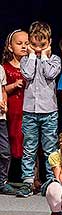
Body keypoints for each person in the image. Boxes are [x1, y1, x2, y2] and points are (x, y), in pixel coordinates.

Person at [16, 21, 61, 198]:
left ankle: (51, 180)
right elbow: (27, 74)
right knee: (29, 147)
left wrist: (43, 56)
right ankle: (28, 181)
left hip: (49, 111)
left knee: (50, 148)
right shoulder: (26, 60)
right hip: (30, 112)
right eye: (33, 45)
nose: (36, 48)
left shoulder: (54, 60)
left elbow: (50, 74)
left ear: (49, 42)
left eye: (41, 45)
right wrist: (34, 56)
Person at [2, 29, 28, 186]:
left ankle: (32, 178)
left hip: (29, 110)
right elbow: (1, 88)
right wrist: (13, 85)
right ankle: (7, 176)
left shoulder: (32, 66)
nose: (24, 46)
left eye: (27, 43)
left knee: (29, 142)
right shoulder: (5, 67)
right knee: (10, 140)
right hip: (12, 110)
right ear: (10, 47)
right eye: (20, 44)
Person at [0, 64, 13, 195]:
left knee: (5, 151)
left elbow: (3, 90)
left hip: (1, 118)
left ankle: (2, 181)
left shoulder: (1, 69)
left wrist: (5, 103)